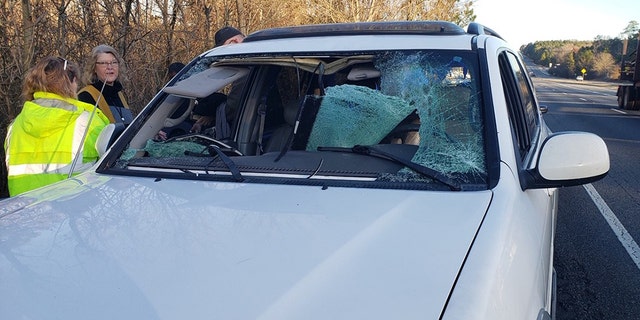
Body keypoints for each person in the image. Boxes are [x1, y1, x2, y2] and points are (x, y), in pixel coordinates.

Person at [4, 56, 111, 196]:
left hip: (25, 212)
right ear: (71, 82)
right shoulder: (87, 120)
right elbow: (115, 164)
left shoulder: (15, 125)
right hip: (73, 210)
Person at [78, 44, 134, 125]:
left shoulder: (119, 95)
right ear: (94, 68)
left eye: (114, 62)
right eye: (104, 63)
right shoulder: (85, 96)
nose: (110, 67)